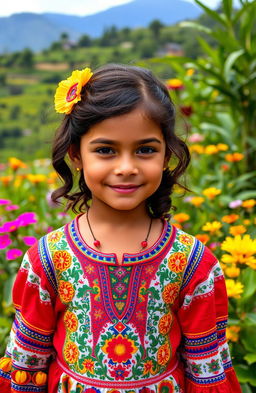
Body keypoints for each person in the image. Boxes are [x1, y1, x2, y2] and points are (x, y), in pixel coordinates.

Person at [0, 64, 241, 393]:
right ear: (76, 156)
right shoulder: (47, 261)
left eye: (145, 150)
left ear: (167, 155)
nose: (126, 168)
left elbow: (207, 372)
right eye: (105, 150)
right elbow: (27, 368)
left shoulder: (193, 264)